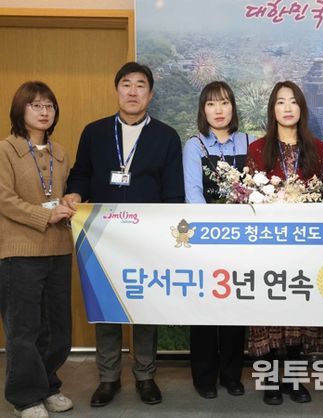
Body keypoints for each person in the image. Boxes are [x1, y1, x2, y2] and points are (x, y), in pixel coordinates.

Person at [62, 62, 184, 407]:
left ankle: (145, 376)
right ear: (117, 90)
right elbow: (81, 173)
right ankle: (108, 377)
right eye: (126, 84)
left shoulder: (166, 136)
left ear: (150, 94)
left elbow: (174, 193)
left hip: (147, 236)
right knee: (106, 305)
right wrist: (74, 193)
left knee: (144, 306)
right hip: (103, 235)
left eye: (140, 85)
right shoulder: (95, 132)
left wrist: (167, 236)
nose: (132, 91)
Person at [245, 80, 323, 406]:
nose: (287, 107)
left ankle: (294, 379)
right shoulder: (258, 149)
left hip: (305, 248)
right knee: (268, 313)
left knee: (298, 311)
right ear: (273, 109)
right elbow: (248, 198)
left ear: (302, 108)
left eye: (293, 101)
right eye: (280, 102)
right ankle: (269, 380)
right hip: (268, 248)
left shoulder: (317, 148)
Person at [0, 82, 75, 418]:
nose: (44, 112)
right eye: (36, 105)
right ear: (21, 110)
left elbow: (64, 193)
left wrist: (71, 199)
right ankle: (26, 397)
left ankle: (48, 385)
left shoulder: (61, 153)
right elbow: (4, 199)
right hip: (20, 252)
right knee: (24, 330)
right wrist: (45, 215)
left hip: (58, 248)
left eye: (50, 106)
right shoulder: (5, 151)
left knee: (57, 329)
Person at [183, 81, 254, 399]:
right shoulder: (195, 145)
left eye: (225, 103)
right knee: (204, 308)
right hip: (207, 239)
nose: (219, 110)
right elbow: (193, 194)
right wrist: (215, 231)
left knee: (235, 307)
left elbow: (256, 189)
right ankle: (204, 377)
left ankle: (231, 374)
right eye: (211, 104)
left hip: (241, 241)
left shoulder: (247, 141)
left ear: (233, 108)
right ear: (203, 110)